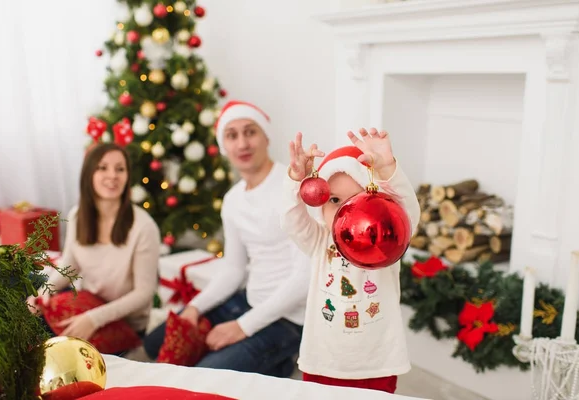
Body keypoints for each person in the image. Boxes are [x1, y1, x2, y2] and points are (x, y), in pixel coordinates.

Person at [144, 100, 310, 378]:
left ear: (266, 136)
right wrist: (195, 307)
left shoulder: (293, 187)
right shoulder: (233, 200)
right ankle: (262, 362)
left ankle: (279, 360)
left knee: (204, 378)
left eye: (250, 132)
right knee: (154, 343)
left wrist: (242, 327)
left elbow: (305, 278)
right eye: (232, 135)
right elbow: (233, 268)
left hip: (290, 318)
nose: (242, 143)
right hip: (249, 300)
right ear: (224, 146)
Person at [280, 128, 420, 393]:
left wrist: (388, 167)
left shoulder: (387, 241)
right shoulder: (320, 240)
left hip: (378, 362)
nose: (345, 211)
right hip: (323, 360)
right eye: (334, 200)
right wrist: (295, 181)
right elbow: (291, 221)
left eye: (356, 200)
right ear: (320, 203)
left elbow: (408, 213)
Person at [27, 143, 161, 341]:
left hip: (124, 322)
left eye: (120, 169)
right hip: (88, 301)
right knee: (20, 285)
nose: (113, 175)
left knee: (46, 333)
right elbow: (69, 266)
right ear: (89, 174)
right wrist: (43, 293)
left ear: (127, 177)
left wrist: (94, 319)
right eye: (103, 167)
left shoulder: (143, 227)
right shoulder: (77, 215)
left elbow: (144, 293)